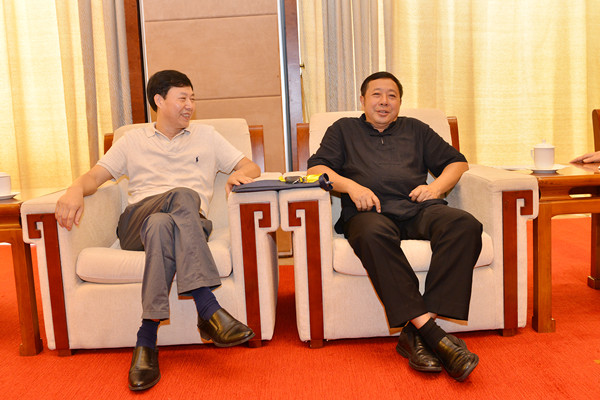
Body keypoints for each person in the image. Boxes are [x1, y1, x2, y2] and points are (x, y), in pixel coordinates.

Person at [55, 70, 261, 391]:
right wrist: (73, 190)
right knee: (181, 196)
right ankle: (208, 308)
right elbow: (95, 177)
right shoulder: (132, 141)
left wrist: (240, 175)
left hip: (186, 225)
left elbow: (251, 165)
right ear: (159, 101)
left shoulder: (207, 136)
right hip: (136, 223)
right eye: (183, 98)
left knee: (162, 223)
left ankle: (146, 339)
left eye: (192, 98)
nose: (190, 105)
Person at [306, 71, 482, 381]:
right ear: (363, 100)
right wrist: (351, 187)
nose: (384, 101)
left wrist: (436, 187)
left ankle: (417, 333)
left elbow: (458, 162)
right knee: (371, 235)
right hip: (368, 213)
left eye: (392, 95)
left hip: (417, 208)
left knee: (464, 225)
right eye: (376, 94)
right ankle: (434, 335)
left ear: (400, 102)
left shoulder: (416, 129)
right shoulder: (344, 130)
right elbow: (316, 169)